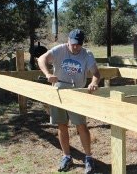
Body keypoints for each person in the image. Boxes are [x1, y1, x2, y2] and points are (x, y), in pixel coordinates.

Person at [37, 29, 100, 173]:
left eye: (78, 44)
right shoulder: (59, 50)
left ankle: (88, 157)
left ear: (82, 43)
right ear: (68, 41)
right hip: (59, 91)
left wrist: (94, 82)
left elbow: (96, 73)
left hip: (76, 93)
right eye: (73, 44)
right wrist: (48, 74)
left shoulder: (87, 54)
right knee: (62, 125)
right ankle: (66, 156)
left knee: (81, 125)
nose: (75, 47)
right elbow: (41, 59)